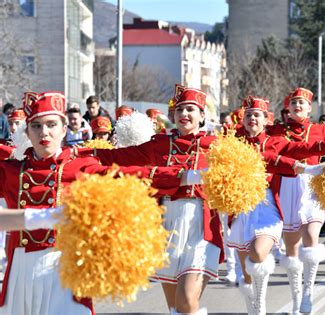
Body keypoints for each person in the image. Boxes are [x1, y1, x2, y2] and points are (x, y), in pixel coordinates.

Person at [0, 91, 187, 314]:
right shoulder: (11, 171)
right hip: (20, 273)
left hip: (66, 266)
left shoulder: (79, 167)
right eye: (36, 126)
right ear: (28, 134)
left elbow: (132, 175)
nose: (44, 133)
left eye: (51, 124)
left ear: (64, 129)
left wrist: (189, 176)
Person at [85, 85, 223, 314]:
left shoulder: (217, 146)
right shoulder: (159, 144)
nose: (184, 114)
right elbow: (117, 158)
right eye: (179, 110)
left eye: (190, 109)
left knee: (187, 300)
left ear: (202, 115)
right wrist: (78, 156)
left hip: (201, 225)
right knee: (174, 307)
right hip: (165, 224)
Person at [229, 96, 325, 314]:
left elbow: (305, 149)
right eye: (249, 114)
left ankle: (303, 295)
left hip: (291, 190)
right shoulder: (235, 141)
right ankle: (275, 302)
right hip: (254, 199)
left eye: (257, 114)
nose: (252, 118)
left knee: (307, 238)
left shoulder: (277, 139)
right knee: (252, 267)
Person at [268, 87, 325, 314]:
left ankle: (309, 292)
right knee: (292, 249)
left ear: (310, 108)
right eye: (294, 103)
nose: (297, 106)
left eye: (302, 103)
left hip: (312, 188)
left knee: (311, 237)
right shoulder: (276, 131)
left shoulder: (320, 130)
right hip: (285, 188)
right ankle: (296, 297)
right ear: (287, 108)